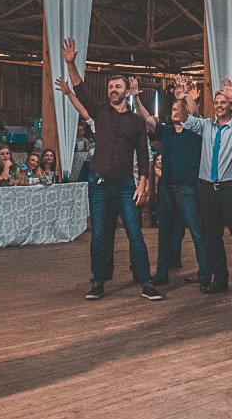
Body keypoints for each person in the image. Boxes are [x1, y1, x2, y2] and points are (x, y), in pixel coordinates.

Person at [63, 37, 162, 302]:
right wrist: (71, 63)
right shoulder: (99, 113)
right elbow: (80, 88)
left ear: (126, 91)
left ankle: (146, 282)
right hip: (98, 185)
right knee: (99, 235)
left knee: (135, 234)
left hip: (126, 186)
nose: (113, 90)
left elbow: (143, 157)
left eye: (117, 86)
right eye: (110, 87)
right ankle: (98, 282)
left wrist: (143, 184)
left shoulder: (137, 123)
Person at [175, 73, 232, 297]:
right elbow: (184, 119)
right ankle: (220, 280)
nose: (220, 106)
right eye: (217, 103)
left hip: (231, 189)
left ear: (229, 107)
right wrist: (182, 98)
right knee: (212, 237)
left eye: (223, 103)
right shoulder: (207, 126)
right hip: (207, 190)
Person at [131, 76, 207, 288]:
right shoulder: (166, 131)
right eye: (173, 108)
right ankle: (162, 273)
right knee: (163, 234)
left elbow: (197, 115)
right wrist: (136, 98)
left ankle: (205, 273)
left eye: (179, 108)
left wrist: (185, 97)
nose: (176, 111)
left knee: (197, 232)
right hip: (166, 189)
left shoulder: (195, 130)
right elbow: (146, 118)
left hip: (188, 189)